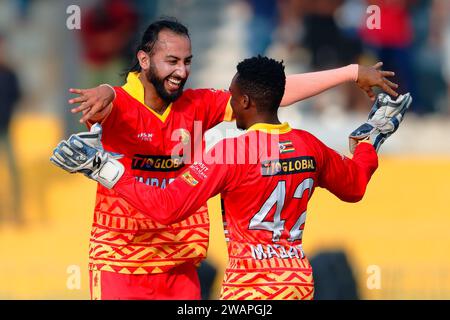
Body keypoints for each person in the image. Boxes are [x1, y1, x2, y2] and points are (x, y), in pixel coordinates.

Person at [65, 18, 399, 300]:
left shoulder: (201, 109)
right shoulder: (114, 104)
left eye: (188, 61)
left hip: (181, 265)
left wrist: (350, 72)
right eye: (172, 61)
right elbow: (353, 185)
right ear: (144, 60)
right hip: (122, 265)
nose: (182, 71)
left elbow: (273, 90)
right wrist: (109, 91)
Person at [0, 34, 22, 224]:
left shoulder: (9, 74)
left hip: (5, 130)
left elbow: (17, 97)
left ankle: (16, 214)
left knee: (11, 172)